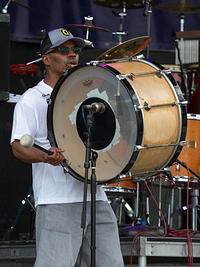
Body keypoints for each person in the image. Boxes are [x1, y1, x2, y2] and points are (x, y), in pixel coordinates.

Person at [10, 28, 124, 267]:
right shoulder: (31, 99)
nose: (72, 55)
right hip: (57, 200)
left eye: (75, 50)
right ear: (46, 59)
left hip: (95, 196)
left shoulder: (89, 95)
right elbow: (19, 147)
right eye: (63, 50)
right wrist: (45, 156)